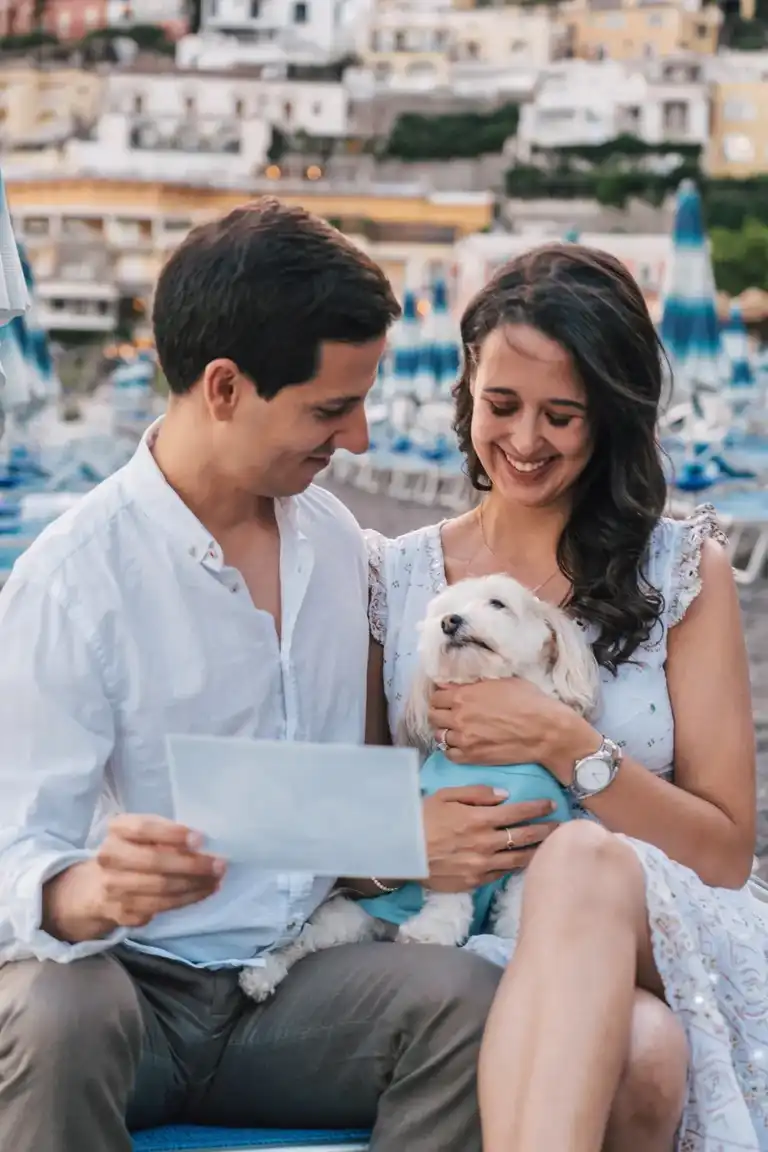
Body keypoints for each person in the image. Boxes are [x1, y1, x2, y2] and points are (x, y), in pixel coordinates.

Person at [0, 198, 516, 1152]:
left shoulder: (341, 547)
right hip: (128, 989)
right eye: (331, 408)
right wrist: (92, 891)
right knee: (52, 1015)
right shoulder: (70, 580)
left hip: (295, 984)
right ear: (225, 387)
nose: (357, 438)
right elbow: (14, 849)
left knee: (473, 1002)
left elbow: (374, 768)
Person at [365, 243, 768, 1151]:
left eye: (563, 416)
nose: (524, 440)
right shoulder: (399, 578)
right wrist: (403, 848)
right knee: (646, 1054)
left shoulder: (680, 570)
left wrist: (562, 741)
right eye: (501, 405)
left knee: (581, 861)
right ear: (467, 389)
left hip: (659, 925)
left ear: (611, 419)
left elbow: (727, 852)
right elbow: (356, 809)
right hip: (458, 921)